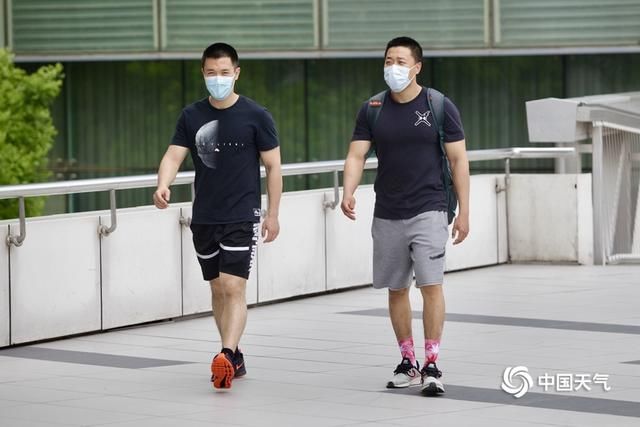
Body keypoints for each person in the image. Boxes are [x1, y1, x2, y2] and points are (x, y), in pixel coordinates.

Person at [340, 36, 469, 396]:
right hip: (388, 213)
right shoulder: (373, 108)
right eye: (388, 61)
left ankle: (432, 364)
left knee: (431, 286)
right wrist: (347, 190)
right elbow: (356, 156)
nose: (392, 68)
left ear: (416, 67)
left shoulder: (438, 105)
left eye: (400, 61)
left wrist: (464, 212)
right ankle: (408, 362)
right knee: (396, 289)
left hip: (430, 209)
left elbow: (458, 160)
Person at [153, 42, 282, 390]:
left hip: (242, 213)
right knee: (216, 289)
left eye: (225, 72)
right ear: (203, 73)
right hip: (205, 216)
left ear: (236, 73)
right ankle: (234, 354)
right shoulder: (191, 116)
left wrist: (273, 214)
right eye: (212, 73)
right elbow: (172, 155)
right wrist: (163, 184)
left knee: (232, 286)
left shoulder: (257, 116)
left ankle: (224, 352)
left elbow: (273, 167)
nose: (218, 78)